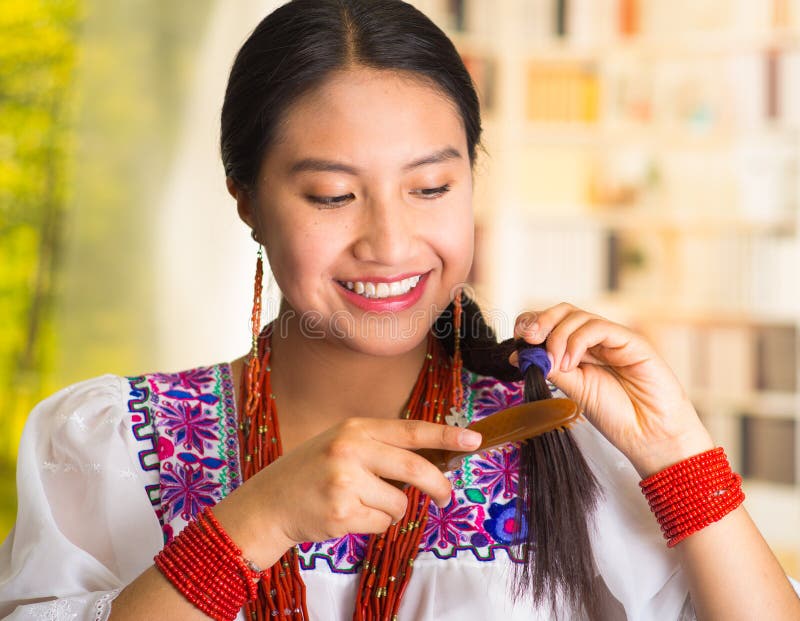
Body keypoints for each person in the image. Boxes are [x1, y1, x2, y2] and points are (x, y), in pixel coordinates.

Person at [1, 1, 799, 619]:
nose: (390, 242)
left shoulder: (567, 439)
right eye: (333, 195)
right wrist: (256, 522)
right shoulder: (107, 446)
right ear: (244, 198)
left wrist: (677, 447)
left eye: (430, 188)